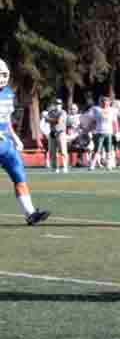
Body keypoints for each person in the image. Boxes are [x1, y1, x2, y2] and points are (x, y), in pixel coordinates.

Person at [0, 60, 50, 225]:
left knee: (19, 176)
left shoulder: (8, 93)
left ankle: (30, 213)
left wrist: (14, 137)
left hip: (5, 143)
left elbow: (6, 119)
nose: (2, 77)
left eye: (4, 74)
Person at [41, 99, 68, 172]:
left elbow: (58, 121)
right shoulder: (51, 112)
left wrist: (48, 118)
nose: (57, 105)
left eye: (59, 104)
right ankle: (55, 167)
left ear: (61, 105)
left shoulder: (63, 112)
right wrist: (49, 119)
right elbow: (46, 120)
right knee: (52, 151)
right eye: (56, 103)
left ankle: (64, 167)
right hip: (52, 132)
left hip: (60, 133)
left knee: (63, 151)